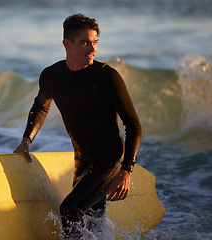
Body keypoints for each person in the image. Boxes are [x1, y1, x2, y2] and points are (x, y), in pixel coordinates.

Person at [13, 13, 142, 239]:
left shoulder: (107, 77)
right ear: (67, 44)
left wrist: (126, 170)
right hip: (82, 160)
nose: (91, 48)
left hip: (110, 158)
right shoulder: (52, 76)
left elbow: (133, 125)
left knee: (69, 209)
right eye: (84, 42)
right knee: (90, 222)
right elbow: (41, 107)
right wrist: (27, 140)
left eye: (95, 42)